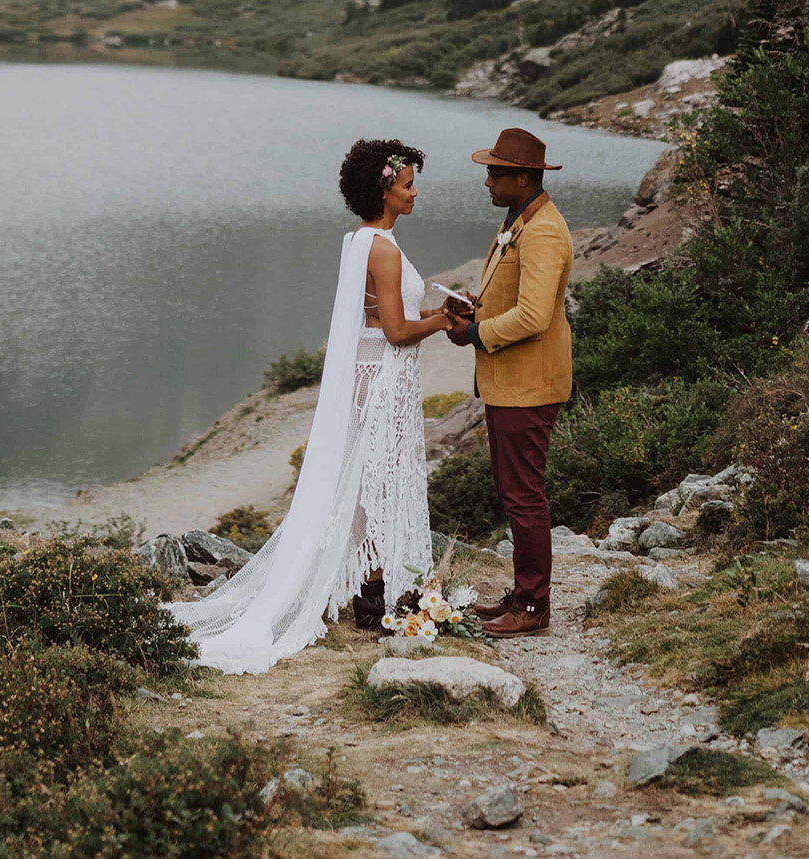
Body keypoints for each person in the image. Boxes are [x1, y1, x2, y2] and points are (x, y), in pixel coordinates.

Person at [171, 138, 452, 673]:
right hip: (383, 373)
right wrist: (442, 319)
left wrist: (434, 314)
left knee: (368, 480)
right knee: (378, 479)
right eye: (408, 184)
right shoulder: (384, 249)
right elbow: (395, 330)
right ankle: (374, 592)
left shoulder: (358, 240)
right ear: (384, 189)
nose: (415, 193)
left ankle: (371, 589)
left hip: (371, 369)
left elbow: (376, 316)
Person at [440, 126, 572, 637]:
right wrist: (476, 307)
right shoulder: (519, 219)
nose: (487, 181)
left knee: (524, 494)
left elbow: (535, 317)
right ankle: (523, 594)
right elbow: (515, 298)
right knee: (514, 489)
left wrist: (475, 332)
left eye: (495, 173)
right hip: (512, 384)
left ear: (523, 177)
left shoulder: (543, 231)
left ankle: (534, 607)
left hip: (529, 385)